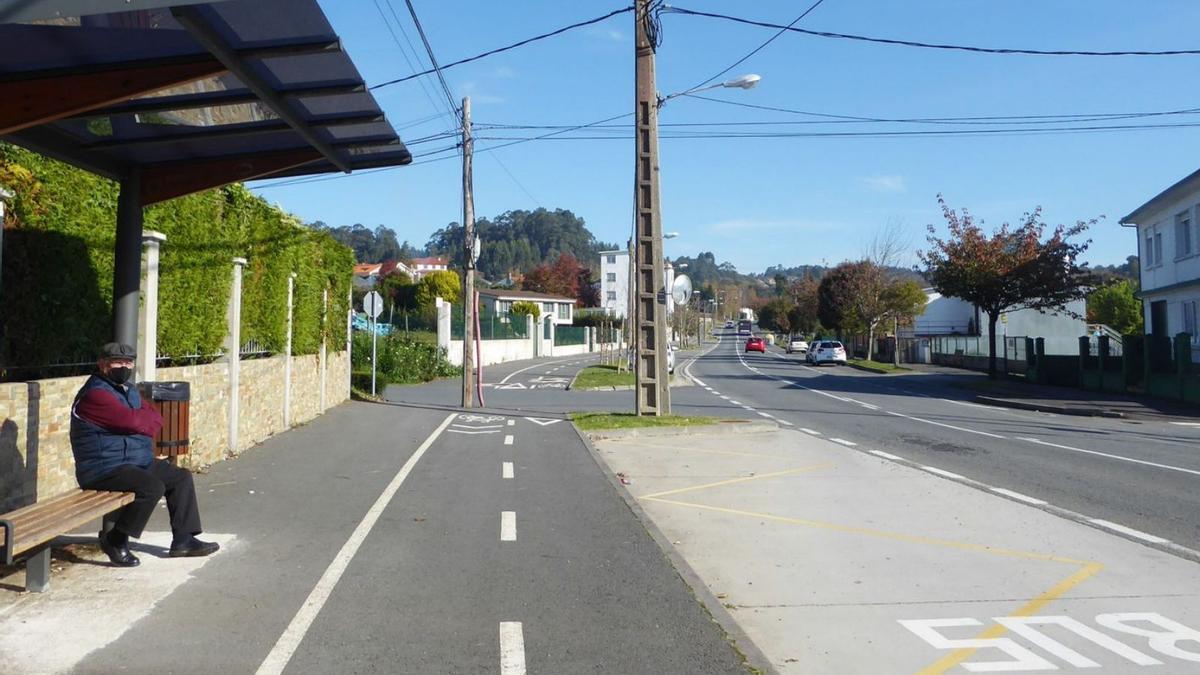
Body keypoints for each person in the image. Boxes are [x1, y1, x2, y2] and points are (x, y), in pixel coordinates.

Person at [69, 342, 218, 567]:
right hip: (103, 468)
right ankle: (115, 540)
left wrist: (140, 420)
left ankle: (184, 540)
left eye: (128, 362)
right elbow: (134, 421)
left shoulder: (127, 390)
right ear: (103, 365)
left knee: (180, 477)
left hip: (134, 461)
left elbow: (154, 418)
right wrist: (139, 420)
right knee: (151, 487)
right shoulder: (95, 395)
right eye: (118, 362)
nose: (124, 366)